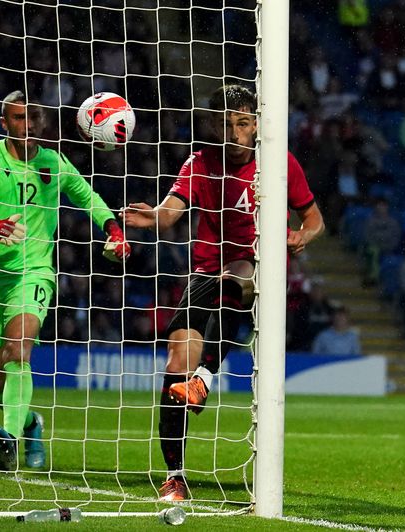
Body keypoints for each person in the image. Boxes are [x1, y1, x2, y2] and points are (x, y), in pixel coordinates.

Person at [121, 84, 324, 501]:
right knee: (177, 364)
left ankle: (207, 376)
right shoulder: (200, 164)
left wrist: (303, 234)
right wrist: (152, 218)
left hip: (255, 269)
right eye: (225, 123)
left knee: (241, 273)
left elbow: (314, 217)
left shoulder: (279, 165)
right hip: (204, 271)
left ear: (255, 126)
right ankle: (175, 475)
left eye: (243, 123)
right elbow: (170, 211)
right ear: (213, 125)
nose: (234, 132)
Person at [0, 90, 131, 471]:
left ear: (43, 123)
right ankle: (29, 424)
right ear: (4, 123)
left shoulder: (53, 163)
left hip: (32, 273)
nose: (28, 125)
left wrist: (114, 229)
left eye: (34, 118)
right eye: (19, 118)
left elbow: (88, 197)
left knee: (18, 351)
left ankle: (7, 439)